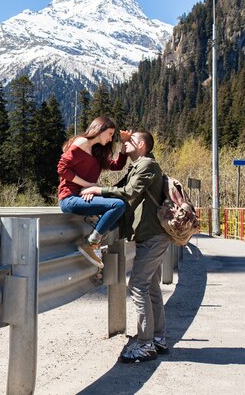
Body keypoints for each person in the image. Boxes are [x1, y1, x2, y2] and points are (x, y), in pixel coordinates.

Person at [81, 130, 170, 363]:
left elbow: (128, 193)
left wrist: (97, 191)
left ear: (140, 145)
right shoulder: (137, 166)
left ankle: (145, 344)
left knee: (138, 285)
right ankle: (157, 338)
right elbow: (120, 189)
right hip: (149, 235)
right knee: (150, 286)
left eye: (128, 142)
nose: (124, 143)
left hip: (153, 236)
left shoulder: (148, 166)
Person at [57, 116, 130, 268]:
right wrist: (88, 186)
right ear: (100, 129)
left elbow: (117, 165)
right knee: (118, 205)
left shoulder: (97, 153)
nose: (111, 139)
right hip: (69, 198)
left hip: (82, 197)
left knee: (127, 209)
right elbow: (62, 169)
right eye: (110, 134)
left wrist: (125, 144)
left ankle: (95, 238)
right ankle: (91, 243)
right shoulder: (82, 143)